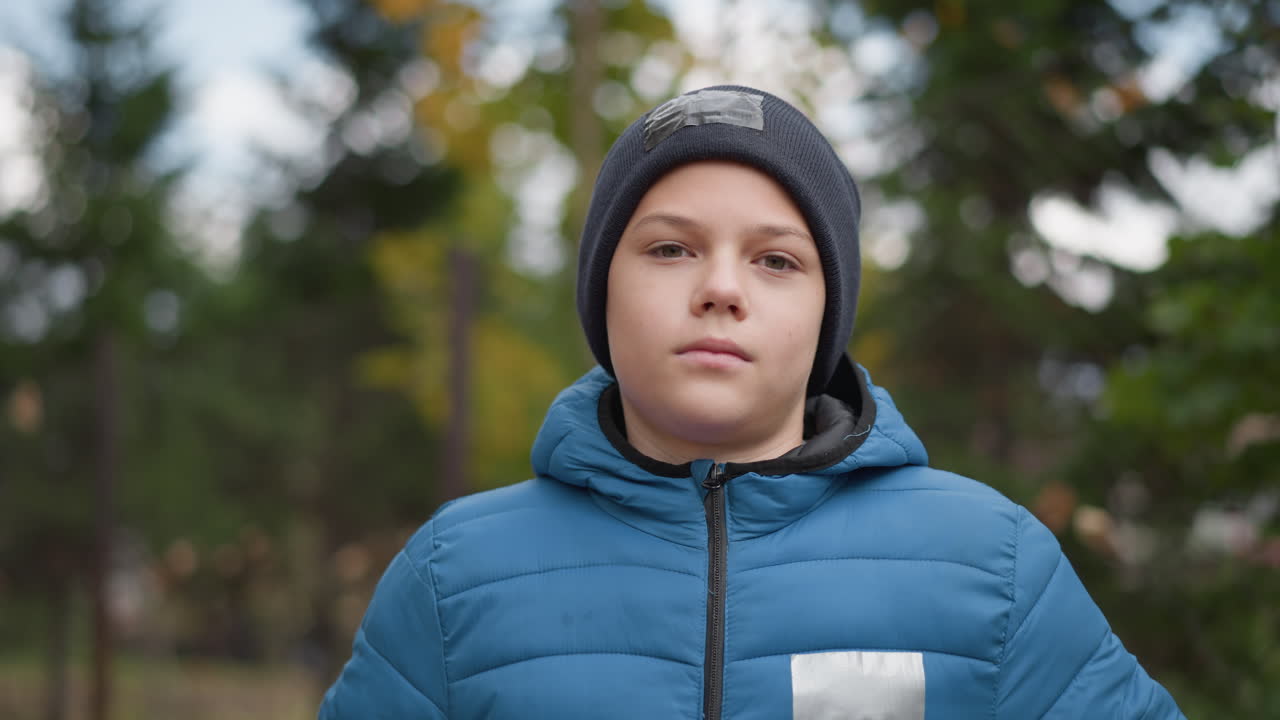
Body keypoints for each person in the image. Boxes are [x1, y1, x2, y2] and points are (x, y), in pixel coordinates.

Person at [319, 86, 1184, 719]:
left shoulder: (994, 567)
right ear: (601, 293)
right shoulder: (451, 579)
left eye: (775, 260)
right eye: (669, 248)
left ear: (827, 313)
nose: (721, 289)